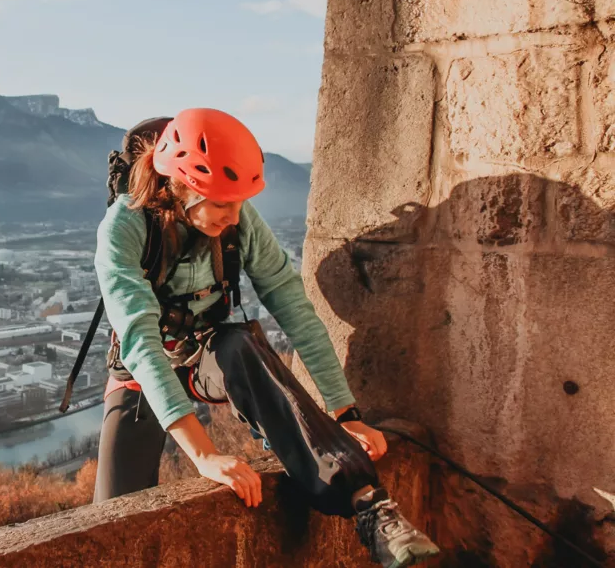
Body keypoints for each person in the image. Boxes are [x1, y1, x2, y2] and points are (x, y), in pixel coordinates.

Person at [92, 108, 440, 567]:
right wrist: (204, 455)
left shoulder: (237, 219)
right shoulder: (125, 227)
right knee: (113, 510)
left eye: (239, 203)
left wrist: (347, 413)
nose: (234, 216)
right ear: (181, 186)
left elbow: (293, 307)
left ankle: (367, 504)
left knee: (242, 344)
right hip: (142, 371)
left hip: (207, 356)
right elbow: (139, 340)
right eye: (221, 204)